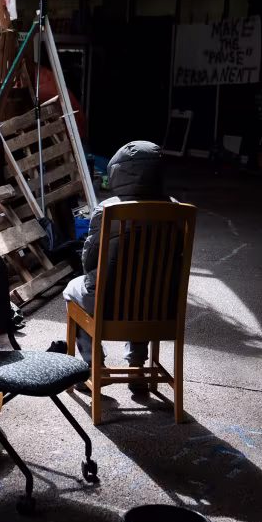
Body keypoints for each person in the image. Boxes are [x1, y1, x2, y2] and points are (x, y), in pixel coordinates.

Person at [61, 141, 174, 380]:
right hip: (160, 307)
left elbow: (90, 260)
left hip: (108, 304)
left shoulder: (108, 209)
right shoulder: (176, 209)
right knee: (146, 286)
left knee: (73, 290)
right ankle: (137, 366)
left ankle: (94, 366)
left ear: (117, 172)